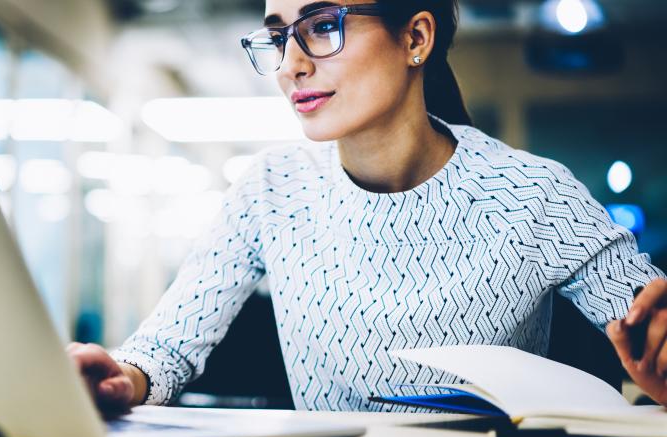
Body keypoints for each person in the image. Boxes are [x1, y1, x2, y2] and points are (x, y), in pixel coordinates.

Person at [67, 0, 667, 412]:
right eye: (279, 35)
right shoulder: (271, 189)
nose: (290, 63)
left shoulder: (533, 195)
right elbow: (167, 348)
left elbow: (653, 332)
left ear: (416, 38)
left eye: (322, 26)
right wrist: (125, 377)